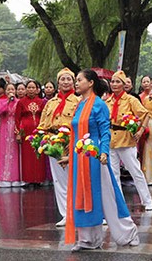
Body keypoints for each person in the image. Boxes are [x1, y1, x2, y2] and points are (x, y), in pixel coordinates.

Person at [64, 69, 139, 251]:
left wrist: (104, 152)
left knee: (107, 195)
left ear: (90, 83)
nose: (76, 83)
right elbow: (76, 132)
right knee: (81, 194)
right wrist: (69, 155)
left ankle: (128, 232)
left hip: (96, 155)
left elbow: (105, 131)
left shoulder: (99, 105)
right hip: (79, 155)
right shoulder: (79, 105)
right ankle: (88, 239)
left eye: (79, 80)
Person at [37, 68, 81, 226]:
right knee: (59, 180)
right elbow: (42, 123)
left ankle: (78, 212)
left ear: (74, 82)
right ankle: (65, 214)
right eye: (62, 79)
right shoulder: (50, 103)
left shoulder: (78, 101)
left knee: (74, 179)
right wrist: (41, 140)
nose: (66, 82)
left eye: (69, 79)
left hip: (71, 142)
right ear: (58, 82)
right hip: (53, 142)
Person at [105, 71, 152, 210]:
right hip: (111, 139)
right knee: (113, 174)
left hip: (126, 140)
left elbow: (145, 114)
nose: (114, 84)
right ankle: (119, 202)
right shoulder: (107, 101)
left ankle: (147, 200)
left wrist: (140, 130)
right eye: (112, 81)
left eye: (118, 82)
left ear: (124, 84)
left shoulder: (131, 100)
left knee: (135, 171)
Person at [15, 80, 47, 185]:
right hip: (26, 132)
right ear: (26, 89)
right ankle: (28, 180)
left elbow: (44, 117)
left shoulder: (42, 102)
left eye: (33, 88)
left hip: (39, 131)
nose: (31, 89)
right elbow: (17, 119)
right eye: (29, 87)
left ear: (37, 90)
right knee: (27, 156)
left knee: (39, 153)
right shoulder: (21, 102)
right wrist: (18, 133)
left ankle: (39, 179)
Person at [0, 82, 21, 187]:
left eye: (12, 89)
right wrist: (8, 102)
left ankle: (15, 178)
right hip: (5, 129)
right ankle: (4, 179)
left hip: (15, 128)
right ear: (6, 91)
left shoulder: (19, 102)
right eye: (8, 90)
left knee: (15, 153)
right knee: (4, 153)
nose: (11, 91)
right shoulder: (1, 101)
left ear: (15, 91)